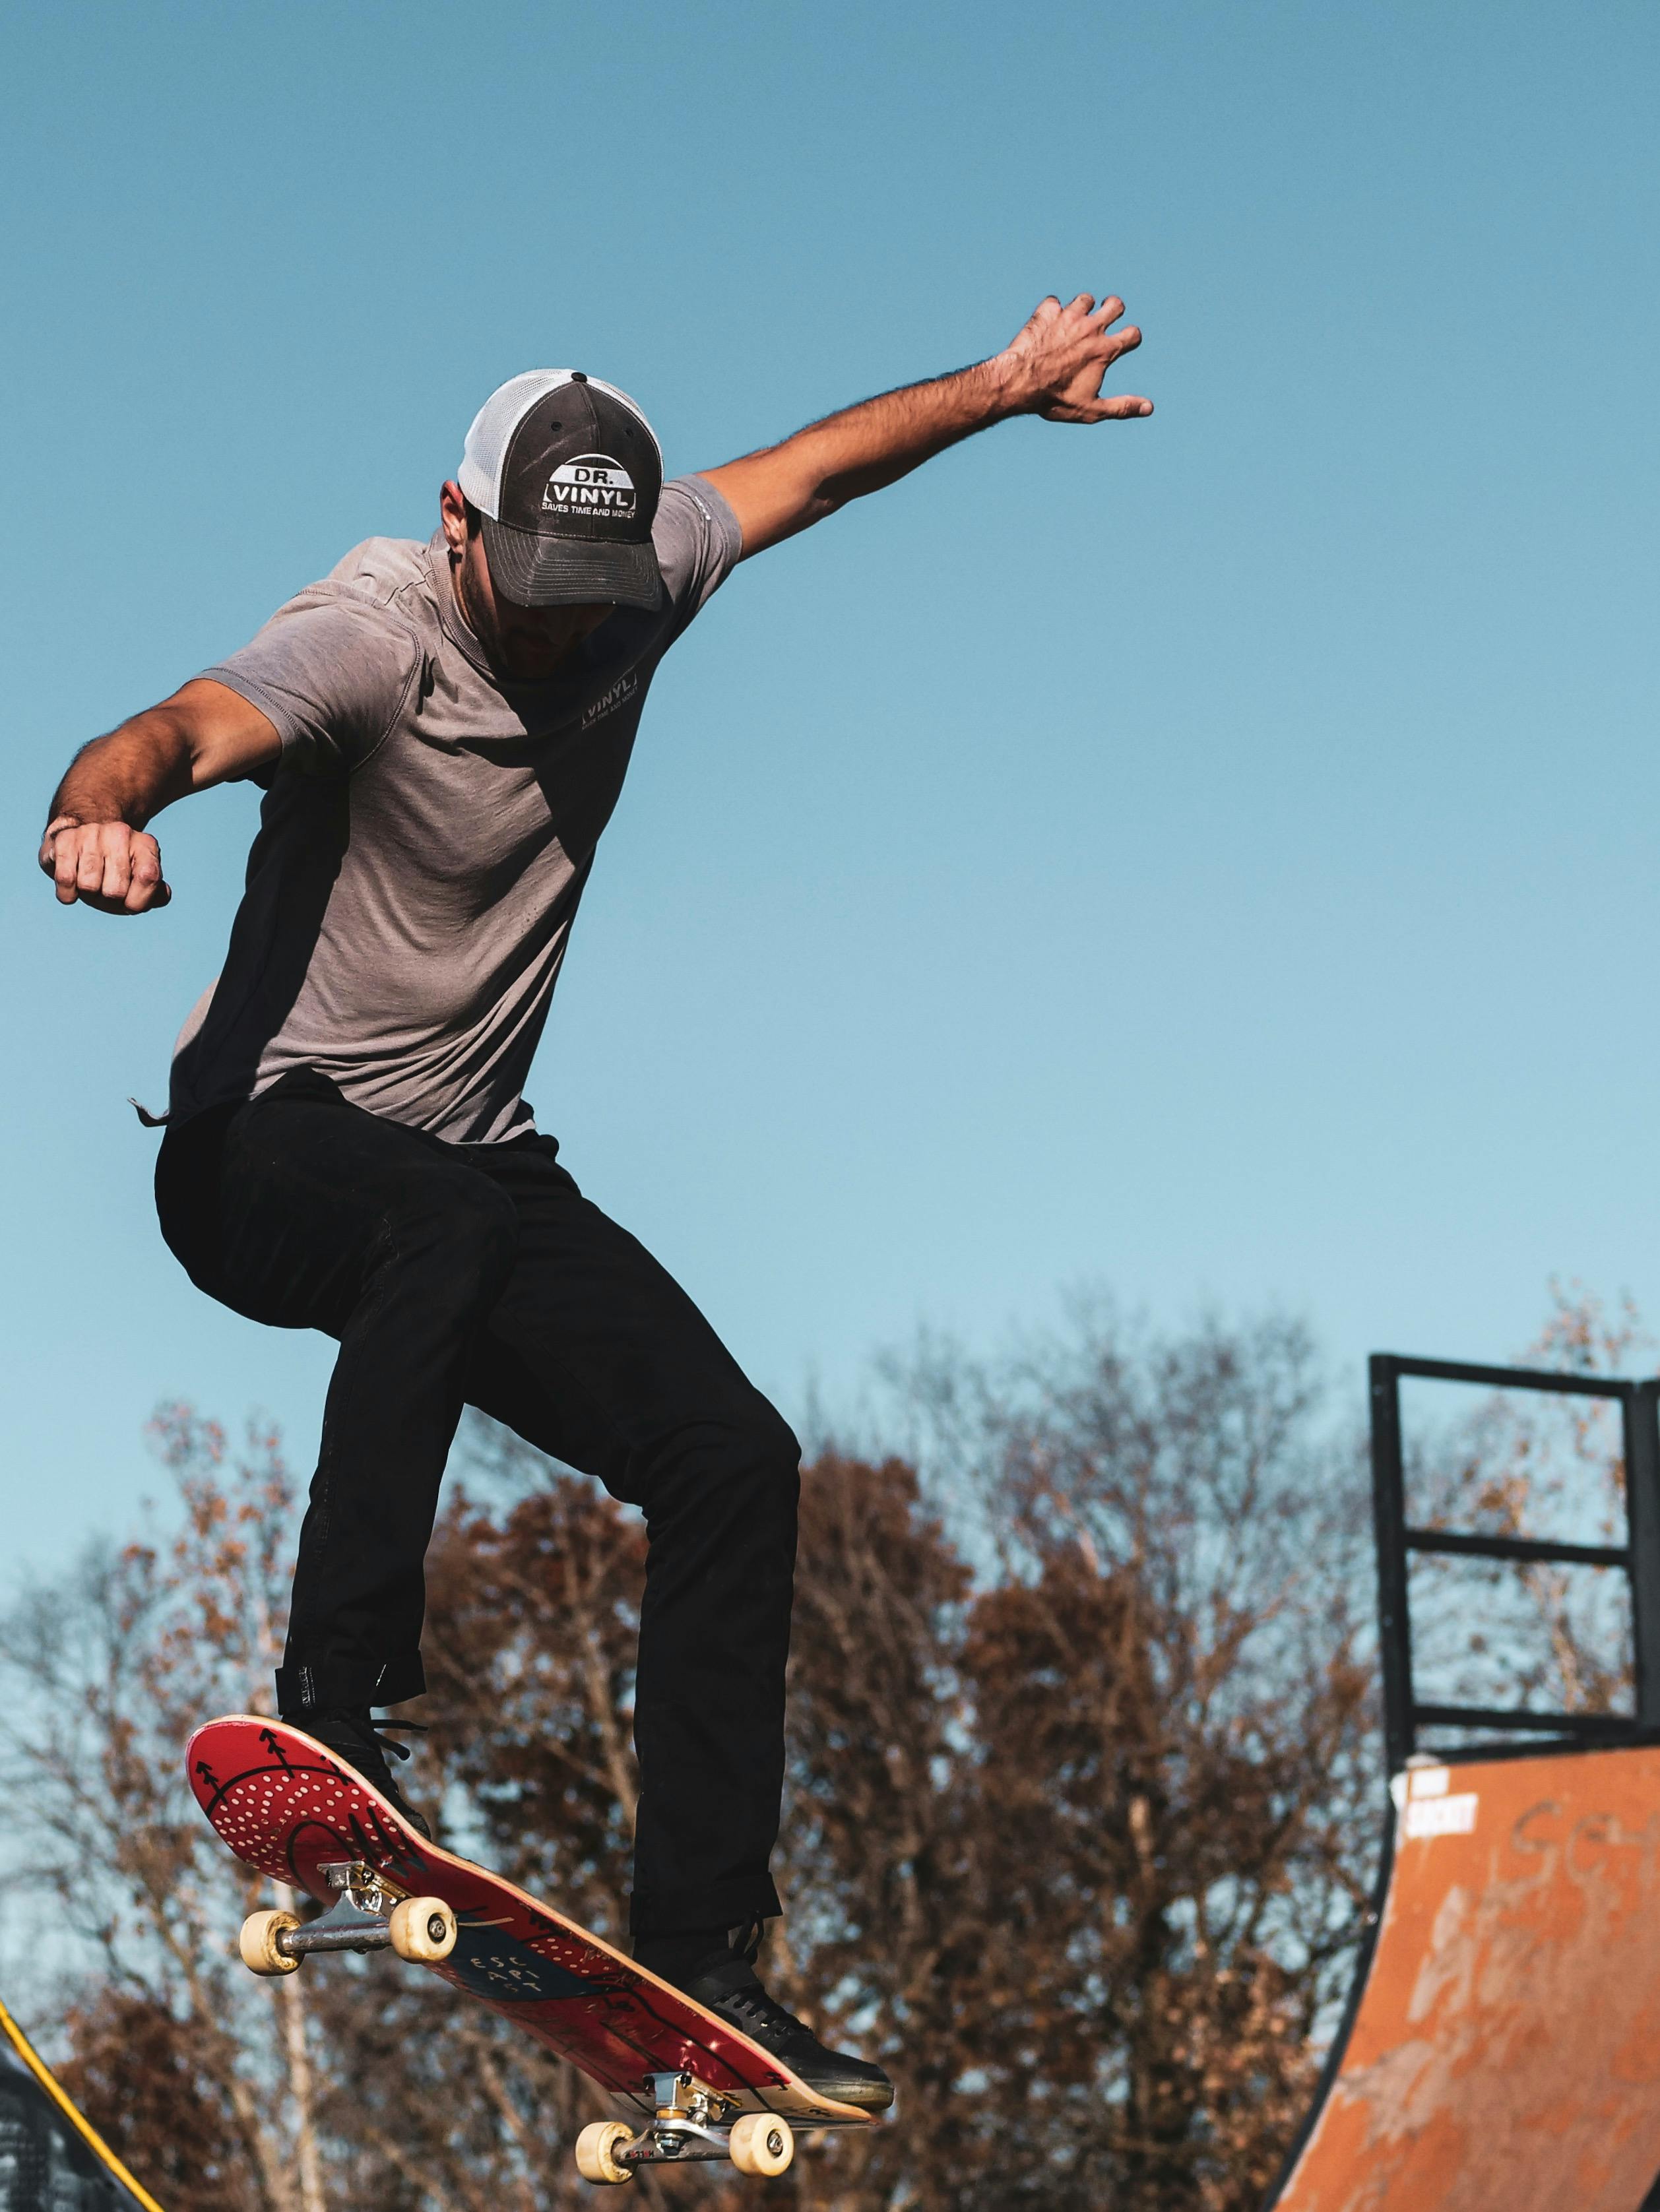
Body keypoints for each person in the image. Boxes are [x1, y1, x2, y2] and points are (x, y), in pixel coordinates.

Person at [39, 293, 1150, 2104]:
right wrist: (99, 815)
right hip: (258, 1153)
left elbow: (812, 468)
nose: (566, 626)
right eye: (530, 586)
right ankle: (328, 1712)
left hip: (464, 1172)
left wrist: (1003, 388)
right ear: (458, 523)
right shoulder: (365, 635)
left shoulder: (642, 569)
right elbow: (167, 727)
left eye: (593, 589)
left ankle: (703, 1948)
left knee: (733, 1455)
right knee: (441, 1215)